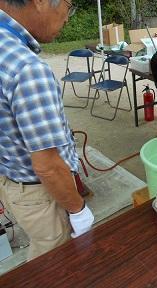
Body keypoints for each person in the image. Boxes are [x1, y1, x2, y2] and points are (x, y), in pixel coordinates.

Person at [0, 1, 94, 260]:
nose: (67, 18)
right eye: (69, 5)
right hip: (38, 192)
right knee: (52, 263)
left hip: (11, 181)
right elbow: (47, 166)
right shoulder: (28, 69)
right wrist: (78, 209)